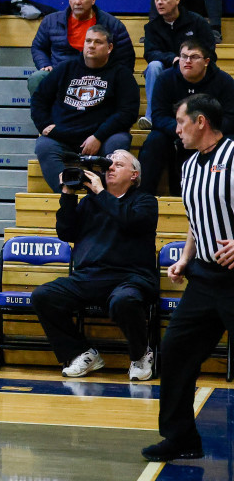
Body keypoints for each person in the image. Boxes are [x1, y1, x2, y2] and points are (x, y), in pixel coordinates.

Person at [141, 94, 234, 463]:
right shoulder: (190, 166)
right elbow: (197, 221)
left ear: (200, 122)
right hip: (204, 279)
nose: (176, 130)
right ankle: (181, 438)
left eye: (180, 123)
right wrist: (184, 258)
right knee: (176, 352)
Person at [30, 149, 157, 379]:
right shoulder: (90, 202)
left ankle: (140, 355)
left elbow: (129, 221)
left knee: (124, 300)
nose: (110, 167)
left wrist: (99, 191)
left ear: (134, 175)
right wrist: (68, 194)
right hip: (88, 277)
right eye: (109, 163)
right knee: (43, 296)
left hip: (130, 278)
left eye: (118, 164)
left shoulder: (145, 201)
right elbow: (65, 231)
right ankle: (82, 353)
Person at [31, 24, 139, 190]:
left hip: (101, 138)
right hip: (63, 136)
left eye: (97, 42)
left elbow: (128, 112)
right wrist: (44, 125)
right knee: (44, 145)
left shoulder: (121, 74)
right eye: (88, 41)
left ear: (109, 47)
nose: (91, 45)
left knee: (119, 141)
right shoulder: (65, 69)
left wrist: (98, 136)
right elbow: (39, 99)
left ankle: (104, 192)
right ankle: (66, 191)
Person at [138, 40, 234, 194]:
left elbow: (231, 116)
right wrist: (184, 129)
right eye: (184, 56)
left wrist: (206, 132)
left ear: (206, 62)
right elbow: (158, 116)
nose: (187, 61)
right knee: (154, 141)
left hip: (212, 134)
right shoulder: (165, 79)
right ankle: (143, 197)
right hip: (175, 132)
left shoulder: (224, 81)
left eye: (194, 57)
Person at [28, 0, 135, 95]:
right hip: (60, 74)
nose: (77, 1)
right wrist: (45, 64)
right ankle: (42, 114)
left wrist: (111, 75)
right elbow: (38, 47)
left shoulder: (112, 24)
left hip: (98, 78)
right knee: (37, 78)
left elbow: (126, 58)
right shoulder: (50, 21)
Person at [140, 0, 218, 130]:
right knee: (153, 66)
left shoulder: (197, 22)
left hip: (194, 70)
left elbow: (209, 52)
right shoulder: (152, 27)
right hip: (167, 73)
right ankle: (151, 116)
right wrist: (174, 59)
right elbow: (150, 53)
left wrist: (187, 60)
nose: (159, 2)